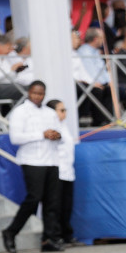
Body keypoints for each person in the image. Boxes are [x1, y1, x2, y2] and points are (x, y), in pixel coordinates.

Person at [5, 81, 64, 251]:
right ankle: (11, 231)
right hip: (32, 160)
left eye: (41, 94)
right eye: (34, 93)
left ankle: (49, 239)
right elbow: (15, 138)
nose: (37, 97)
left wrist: (57, 135)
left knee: (52, 202)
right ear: (29, 92)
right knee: (34, 198)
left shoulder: (50, 113)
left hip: (51, 159)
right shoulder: (20, 112)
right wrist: (41, 134)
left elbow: (60, 135)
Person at [47, 98, 76, 242]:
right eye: (61, 110)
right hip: (56, 170)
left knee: (67, 205)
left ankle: (66, 234)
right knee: (56, 205)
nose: (64, 113)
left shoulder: (64, 126)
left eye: (65, 110)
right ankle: (55, 234)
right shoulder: (49, 127)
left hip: (68, 171)